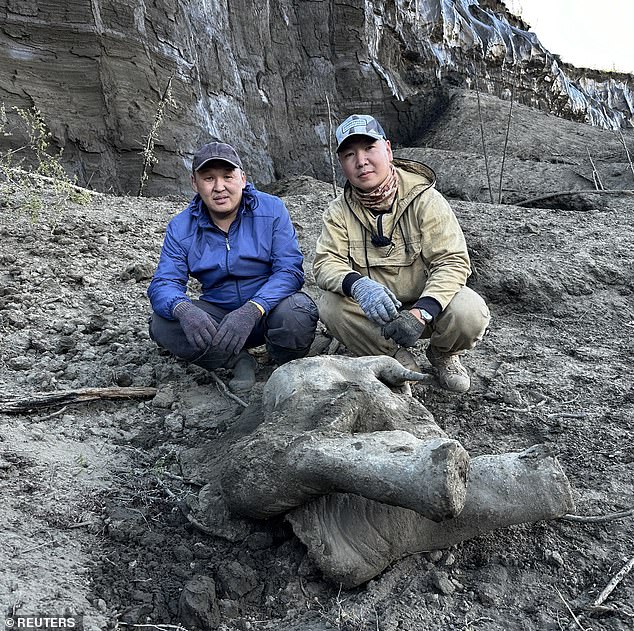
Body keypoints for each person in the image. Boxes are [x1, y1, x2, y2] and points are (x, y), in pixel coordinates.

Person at [313, 115, 490, 393]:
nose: (361, 161)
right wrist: (358, 285)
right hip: (375, 315)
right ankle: (390, 356)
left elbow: (452, 262)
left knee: (470, 310)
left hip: (428, 309)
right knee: (330, 305)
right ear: (342, 164)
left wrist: (422, 311)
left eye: (369, 149)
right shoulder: (338, 211)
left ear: (388, 149)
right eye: (350, 154)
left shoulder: (425, 199)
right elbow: (326, 263)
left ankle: (443, 354)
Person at [148, 141, 318, 394]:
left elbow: (290, 271)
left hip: (267, 312)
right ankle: (236, 360)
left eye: (227, 176)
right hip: (219, 320)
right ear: (194, 183)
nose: (219, 187)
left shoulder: (271, 209)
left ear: (242, 178)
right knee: (162, 323)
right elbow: (163, 283)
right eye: (208, 178)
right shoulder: (181, 226)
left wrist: (253, 309)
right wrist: (183, 309)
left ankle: (282, 362)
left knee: (298, 311)